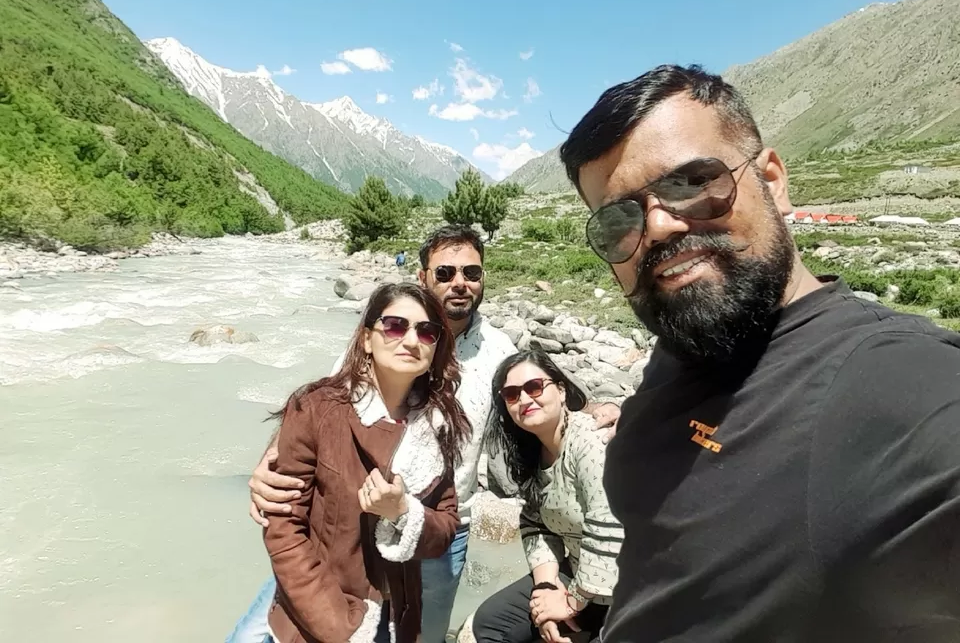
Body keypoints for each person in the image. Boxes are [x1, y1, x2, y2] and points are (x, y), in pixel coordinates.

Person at [558, 63, 960, 642]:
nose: (660, 226)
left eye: (691, 182)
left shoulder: (900, 383)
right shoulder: (694, 338)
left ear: (772, 181)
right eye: (619, 219)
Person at [231, 224, 624, 643]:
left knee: (421, 635)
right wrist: (272, 459)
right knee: (294, 623)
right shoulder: (378, 341)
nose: (460, 283)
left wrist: (610, 411)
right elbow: (321, 407)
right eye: (446, 272)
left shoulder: (499, 353)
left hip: (443, 531)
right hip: (345, 528)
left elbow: (545, 399)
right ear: (423, 277)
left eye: (471, 273)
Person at [263, 282, 470, 643]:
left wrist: (403, 512)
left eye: (426, 331)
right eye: (395, 326)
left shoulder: (438, 423)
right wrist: (339, 626)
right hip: (320, 615)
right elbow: (283, 527)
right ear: (366, 339)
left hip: (399, 615)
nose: (411, 340)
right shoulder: (317, 409)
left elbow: (446, 526)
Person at [471, 351, 622, 643]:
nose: (524, 399)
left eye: (534, 387)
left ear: (561, 391)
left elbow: (608, 527)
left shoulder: (591, 442)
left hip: (630, 584)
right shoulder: (532, 453)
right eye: (512, 394)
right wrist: (546, 590)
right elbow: (535, 524)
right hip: (580, 575)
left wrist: (571, 602)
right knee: (493, 624)